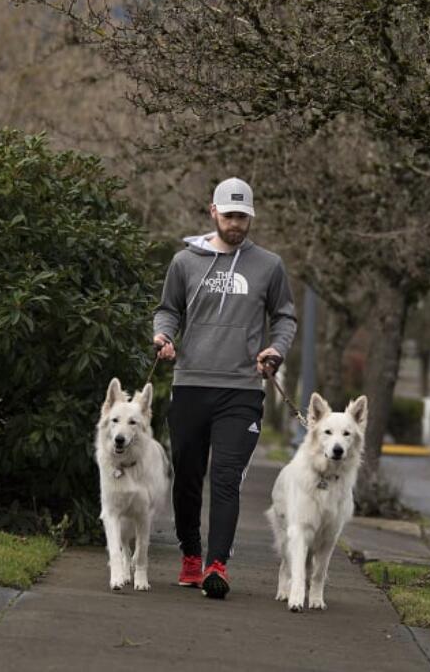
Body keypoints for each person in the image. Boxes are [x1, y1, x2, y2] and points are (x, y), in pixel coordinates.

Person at [152, 177, 297, 599]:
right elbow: (168, 310)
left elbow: (285, 316)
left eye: (243, 216)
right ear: (212, 212)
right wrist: (163, 337)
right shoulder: (184, 262)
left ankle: (218, 565)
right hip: (191, 383)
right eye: (230, 215)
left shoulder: (269, 265)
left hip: (242, 389)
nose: (237, 224)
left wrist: (276, 348)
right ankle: (191, 555)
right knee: (188, 476)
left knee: (226, 476)